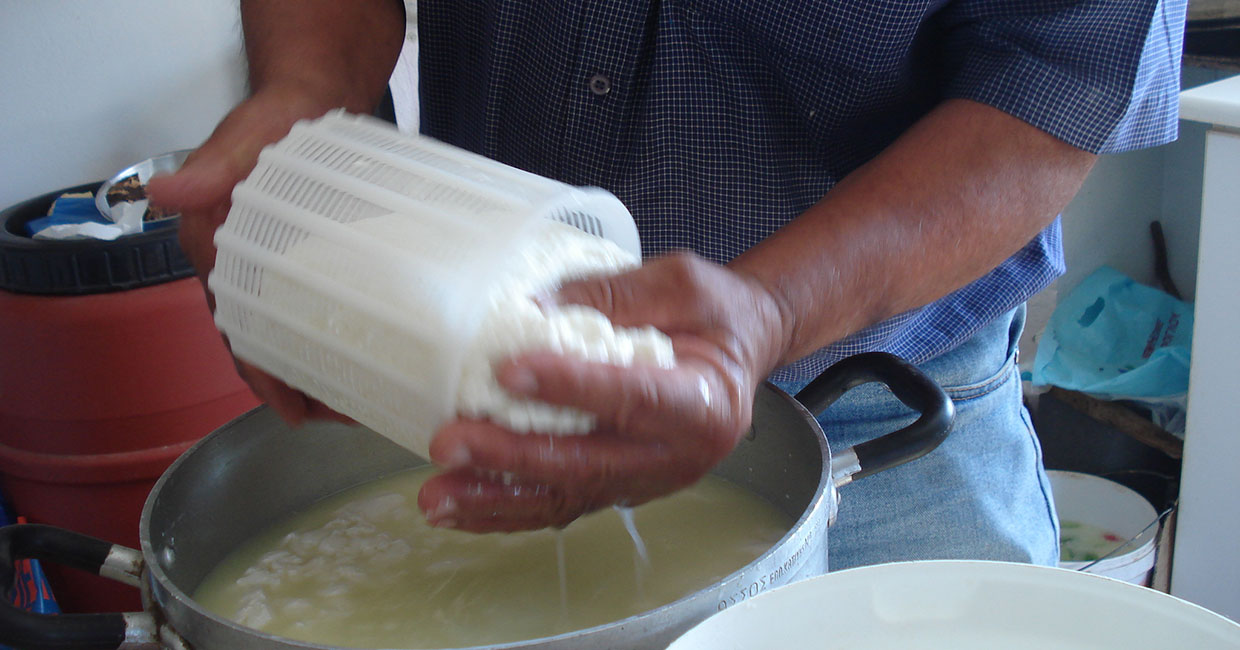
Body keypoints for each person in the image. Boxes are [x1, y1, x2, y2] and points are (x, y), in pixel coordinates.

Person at [148, 0, 1186, 569]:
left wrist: (772, 308)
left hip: (896, 422)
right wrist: (309, 105)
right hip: (490, 381)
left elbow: (1062, 75)